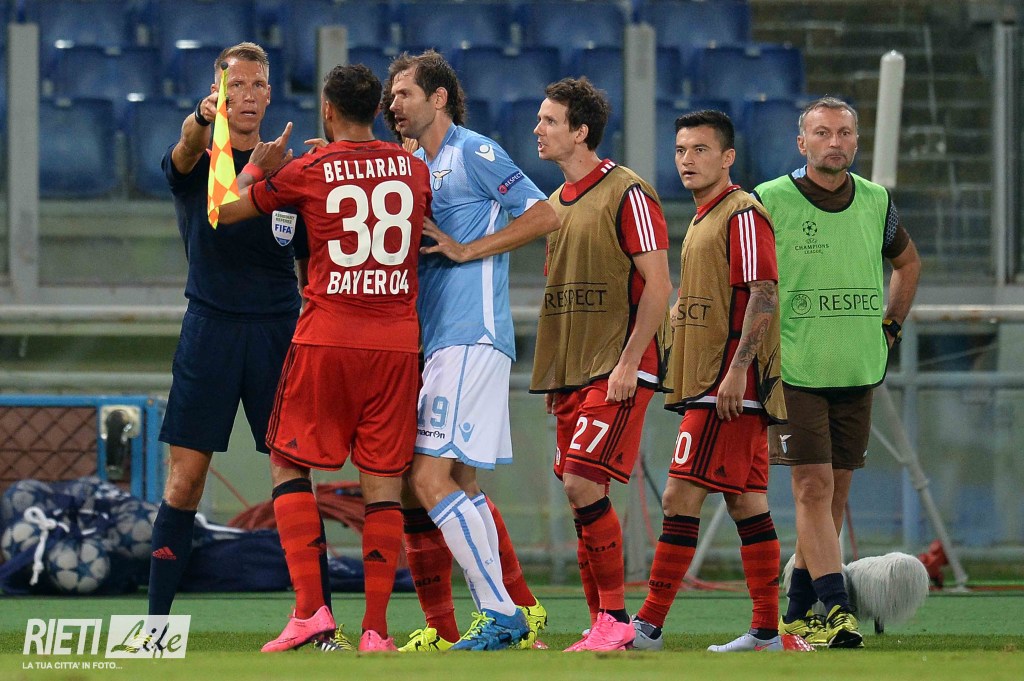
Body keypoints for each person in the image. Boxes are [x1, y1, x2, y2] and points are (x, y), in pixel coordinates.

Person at [218, 63, 433, 653]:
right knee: (383, 484)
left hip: (328, 337)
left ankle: (311, 611)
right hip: (396, 344)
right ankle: (376, 630)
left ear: (328, 110)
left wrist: (260, 166)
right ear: (379, 110)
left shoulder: (309, 170)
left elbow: (226, 210)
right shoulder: (413, 168)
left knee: (289, 464)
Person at [386, 49, 560, 651]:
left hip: (471, 334)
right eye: (391, 95)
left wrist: (468, 249)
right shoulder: (414, 163)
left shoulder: (474, 151)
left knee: (426, 478)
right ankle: (509, 616)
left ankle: (500, 612)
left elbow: (544, 214)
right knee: (460, 482)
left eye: (405, 93)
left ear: (438, 98)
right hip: (438, 338)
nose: (394, 104)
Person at [138, 42, 309, 651]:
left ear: (269, 94)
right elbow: (182, 150)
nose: (247, 95)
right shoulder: (200, 158)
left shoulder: (287, 168)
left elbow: (310, 261)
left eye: (257, 84)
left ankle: (312, 618)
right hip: (209, 328)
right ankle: (155, 630)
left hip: (277, 331)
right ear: (218, 93)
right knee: (185, 480)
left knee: (291, 472)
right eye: (235, 85)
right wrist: (197, 120)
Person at [753, 96, 921, 649]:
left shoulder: (876, 200)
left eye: (844, 133)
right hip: (795, 369)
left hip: (857, 368)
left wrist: (890, 327)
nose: (835, 142)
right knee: (812, 487)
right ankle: (838, 611)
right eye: (822, 133)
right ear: (801, 143)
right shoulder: (768, 199)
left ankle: (796, 612)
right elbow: (748, 281)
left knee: (834, 496)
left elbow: (908, 263)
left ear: (856, 141)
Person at [629, 110, 786, 653]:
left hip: (725, 388)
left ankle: (648, 625)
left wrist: (737, 372)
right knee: (747, 504)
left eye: (700, 149)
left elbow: (764, 292)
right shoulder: (704, 217)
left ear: (727, 157)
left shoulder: (742, 213)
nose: (687, 160)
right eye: (680, 150)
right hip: (713, 382)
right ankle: (766, 631)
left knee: (679, 495)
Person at [530, 77, 673, 652]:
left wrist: (629, 361)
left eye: (549, 120)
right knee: (579, 494)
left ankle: (615, 617)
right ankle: (600, 624)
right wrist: (557, 373)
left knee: (582, 482)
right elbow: (561, 296)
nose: (538, 129)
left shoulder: (627, 191)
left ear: (580, 131)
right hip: (574, 372)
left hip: (618, 367)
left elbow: (659, 285)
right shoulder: (553, 205)